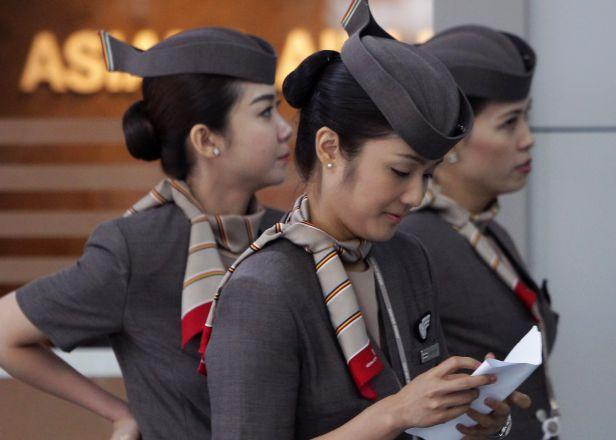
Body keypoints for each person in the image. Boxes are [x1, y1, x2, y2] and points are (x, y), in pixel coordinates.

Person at [203, 3, 527, 439]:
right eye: (399, 171)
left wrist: (478, 419)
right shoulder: (263, 288)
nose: (416, 195)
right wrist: (392, 414)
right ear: (330, 148)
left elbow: (427, 421)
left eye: (427, 175)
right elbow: (401, 414)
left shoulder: (405, 257)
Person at [0, 27, 292, 439]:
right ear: (207, 140)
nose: (286, 129)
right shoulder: (137, 248)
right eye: (265, 112)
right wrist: (120, 413)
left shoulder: (288, 235)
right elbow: (4, 333)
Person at [400, 24, 561, 439]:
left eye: (526, 117)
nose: (528, 140)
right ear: (451, 141)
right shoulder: (415, 242)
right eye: (509, 123)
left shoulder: (483, 230)